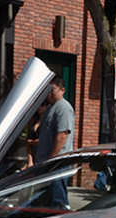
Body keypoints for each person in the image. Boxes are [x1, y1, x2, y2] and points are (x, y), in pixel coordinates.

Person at [36, 77, 75, 209]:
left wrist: (51, 160)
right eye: (47, 90)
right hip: (46, 163)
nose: (49, 93)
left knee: (58, 203)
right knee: (46, 203)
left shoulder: (63, 108)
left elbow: (62, 136)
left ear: (62, 90)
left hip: (57, 164)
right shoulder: (49, 109)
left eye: (52, 90)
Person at [25, 101, 48, 167]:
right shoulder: (32, 121)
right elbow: (28, 142)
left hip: (43, 154)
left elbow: (44, 141)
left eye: (42, 105)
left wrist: (31, 142)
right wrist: (30, 160)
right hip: (34, 154)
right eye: (38, 105)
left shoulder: (47, 121)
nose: (39, 107)